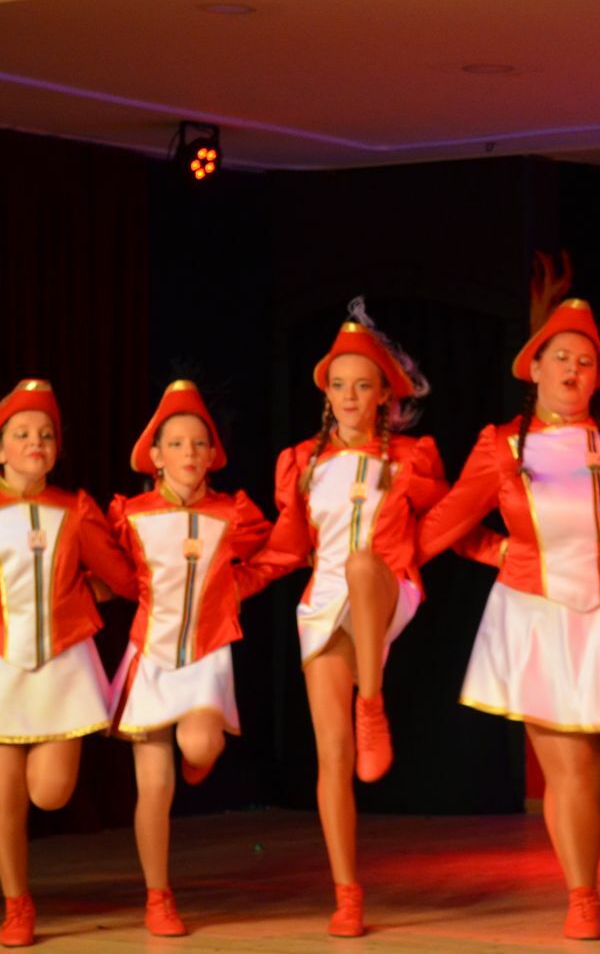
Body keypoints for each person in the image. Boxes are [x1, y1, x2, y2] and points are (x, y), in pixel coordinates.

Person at [416, 298, 600, 941]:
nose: (572, 368)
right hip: (536, 617)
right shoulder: (502, 445)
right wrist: (389, 561)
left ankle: (585, 804)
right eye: (561, 357)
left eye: (585, 361)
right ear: (534, 368)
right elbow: (449, 523)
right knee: (573, 773)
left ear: (599, 377)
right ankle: (583, 897)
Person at [246, 304, 449, 937]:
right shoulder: (302, 462)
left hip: (385, 588)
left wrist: (500, 548)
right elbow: (285, 549)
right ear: (327, 394)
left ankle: (372, 702)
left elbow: (447, 520)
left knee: (362, 564)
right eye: (340, 385)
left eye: (363, 385)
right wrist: (231, 584)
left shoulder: (411, 458)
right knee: (332, 756)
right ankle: (347, 893)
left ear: (385, 393)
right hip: (324, 604)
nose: (350, 397)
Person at [0, 379, 137, 947]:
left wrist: (88, 592)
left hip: (64, 665)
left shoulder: (75, 508)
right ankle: (16, 903)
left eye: (46, 435)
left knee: (51, 793)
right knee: (2, 796)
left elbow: (124, 579)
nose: (36, 442)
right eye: (22, 434)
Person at [107, 380, 272, 937]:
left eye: (200, 443)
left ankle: (198, 754)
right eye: (176, 444)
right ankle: (158, 895)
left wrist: (236, 589)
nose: (190, 453)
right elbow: (110, 571)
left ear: (212, 454)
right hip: (150, 655)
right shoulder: (130, 515)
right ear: (155, 456)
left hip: (205, 655)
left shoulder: (232, 514)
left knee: (199, 744)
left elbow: (272, 555)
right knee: (154, 787)